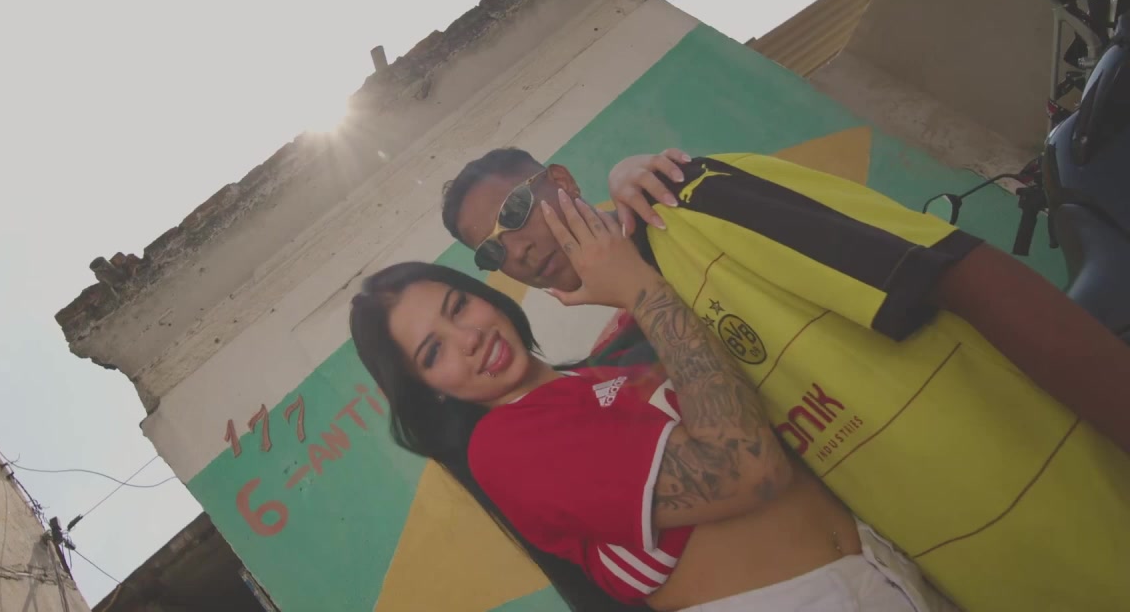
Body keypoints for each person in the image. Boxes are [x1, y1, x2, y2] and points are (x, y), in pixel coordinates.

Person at [439, 147, 1130, 612]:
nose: (517, 249)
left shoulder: (693, 200)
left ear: (561, 181)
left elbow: (958, 273)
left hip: (1079, 499)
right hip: (973, 576)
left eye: (514, 213)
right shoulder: (627, 356)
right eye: (493, 251)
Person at [350, 191, 956, 611]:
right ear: (429, 390)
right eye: (434, 351)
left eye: (459, 306)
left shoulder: (596, 376)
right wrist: (639, 287)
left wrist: (633, 187)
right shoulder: (502, 448)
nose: (469, 338)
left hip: (883, 568)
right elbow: (747, 470)